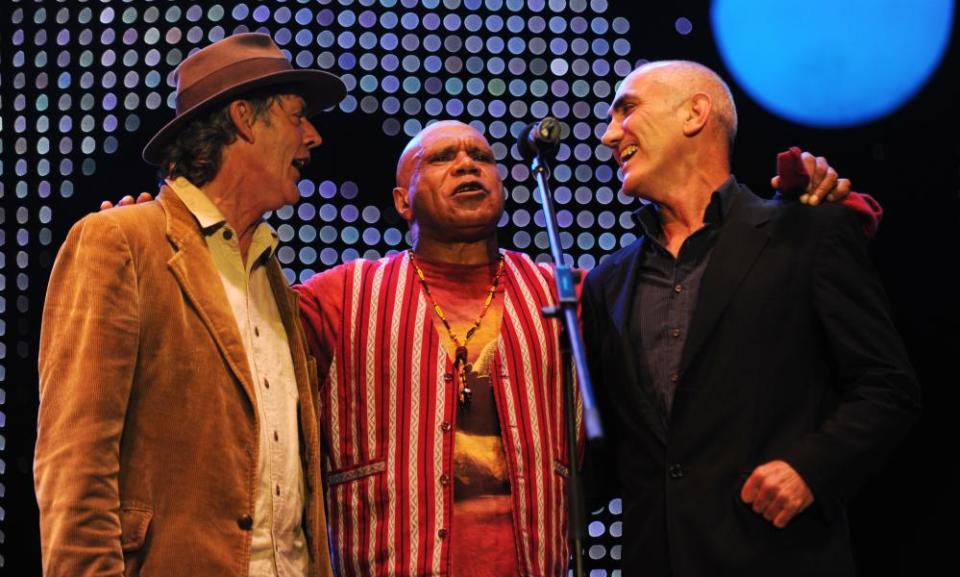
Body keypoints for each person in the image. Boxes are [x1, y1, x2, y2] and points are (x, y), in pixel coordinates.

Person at [293, 119, 865, 576]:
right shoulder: (346, 292)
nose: (467, 164)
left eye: (482, 157)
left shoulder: (569, 294)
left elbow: (699, 300)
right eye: (441, 158)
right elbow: (245, 323)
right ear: (401, 200)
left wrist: (826, 212)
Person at [581, 60, 921, 576]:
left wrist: (811, 467)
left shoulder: (807, 232)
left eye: (626, 109)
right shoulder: (609, 281)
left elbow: (887, 386)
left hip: (778, 556)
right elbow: (611, 450)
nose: (609, 135)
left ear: (695, 113)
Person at [34, 33, 345, 577]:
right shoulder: (121, 242)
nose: (313, 137)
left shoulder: (270, 276)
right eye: (298, 117)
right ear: (246, 119)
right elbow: (75, 469)